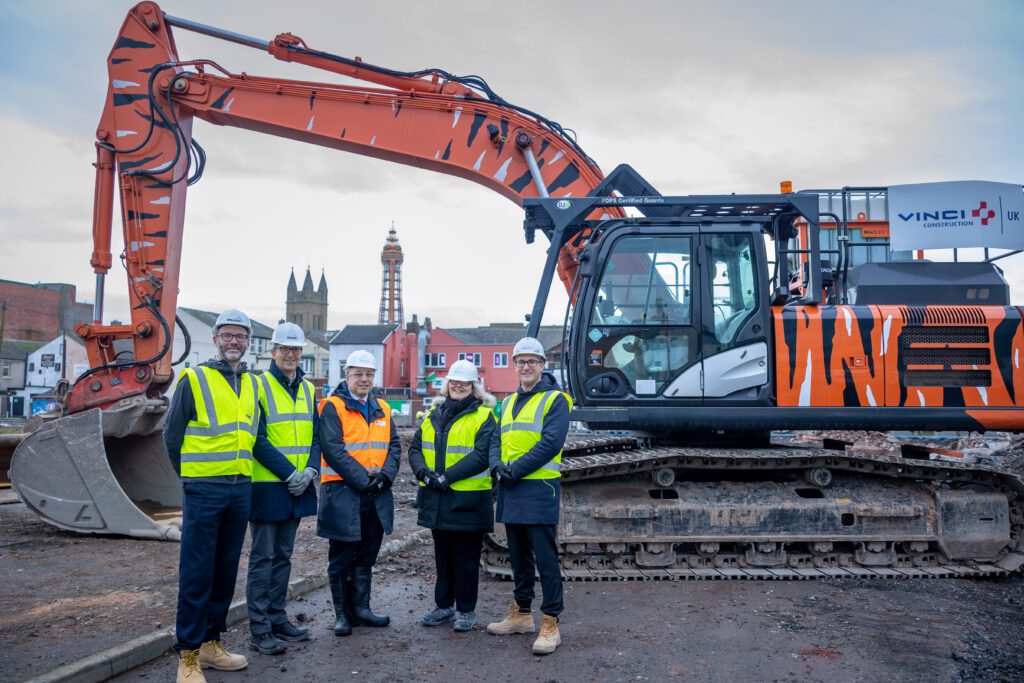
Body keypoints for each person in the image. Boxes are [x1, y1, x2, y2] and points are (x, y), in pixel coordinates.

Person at [164, 310, 301, 683]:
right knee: (196, 572)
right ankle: (188, 656)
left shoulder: (253, 385)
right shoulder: (194, 379)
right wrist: (191, 479)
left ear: (248, 342)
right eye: (227, 335)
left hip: (241, 488)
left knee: (224, 571)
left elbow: (255, 438)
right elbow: (171, 438)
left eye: (241, 336)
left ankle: (211, 642)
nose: (234, 342)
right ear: (216, 339)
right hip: (204, 489)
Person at [486, 337, 572, 655]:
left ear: (542, 365)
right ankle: (522, 614)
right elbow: (496, 438)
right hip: (512, 488)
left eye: (531, 361)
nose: (525, 367)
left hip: (538, 489)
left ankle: (551, 622)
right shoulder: (506, 403)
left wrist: (515, 469)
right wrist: (496, 466)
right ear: (515, 365)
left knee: (545, 560)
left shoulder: (556, 400)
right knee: (519, 557)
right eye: (520, 362)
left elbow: (550, 443)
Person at [246, 322, 319, 655]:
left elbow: (315, 435)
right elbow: (255, 439)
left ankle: (278, 619)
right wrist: (291, 473)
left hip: (298, 485)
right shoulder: (257, 386)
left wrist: (311, 471)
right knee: (263, 558)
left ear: (301, 352)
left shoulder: (308, 389)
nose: (290, 355)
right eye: (284, 349)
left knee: (284, 557)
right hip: (268, 486)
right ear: (273, 352)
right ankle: (260, 629)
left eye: (296, 349)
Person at [317, 349, 401, 636]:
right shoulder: (332, 407)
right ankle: (343, 615)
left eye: (369, 374)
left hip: (375, 495)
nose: (364, 379)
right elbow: (333, 449)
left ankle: (361, 610)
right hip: (343, 493)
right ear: (347, 375)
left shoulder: (384, 409)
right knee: (341, 555)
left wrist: (385, 477)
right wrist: (364, 481)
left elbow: (394, 446)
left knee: (367, 554)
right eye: (358, 374)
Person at [407, 359, 496, 632]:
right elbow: (415, 449)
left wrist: (447, 477)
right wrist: (424, 474)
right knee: (442, 555)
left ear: (474, 387)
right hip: (436, 499)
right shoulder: (435, 413)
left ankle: (466, 611)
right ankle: (443, 606)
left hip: (467, 501)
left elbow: (482, 456)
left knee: (466, 559)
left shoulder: (484, 416)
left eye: (464, 382)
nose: (457, 386)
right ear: (448, 384)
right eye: (454, 381)